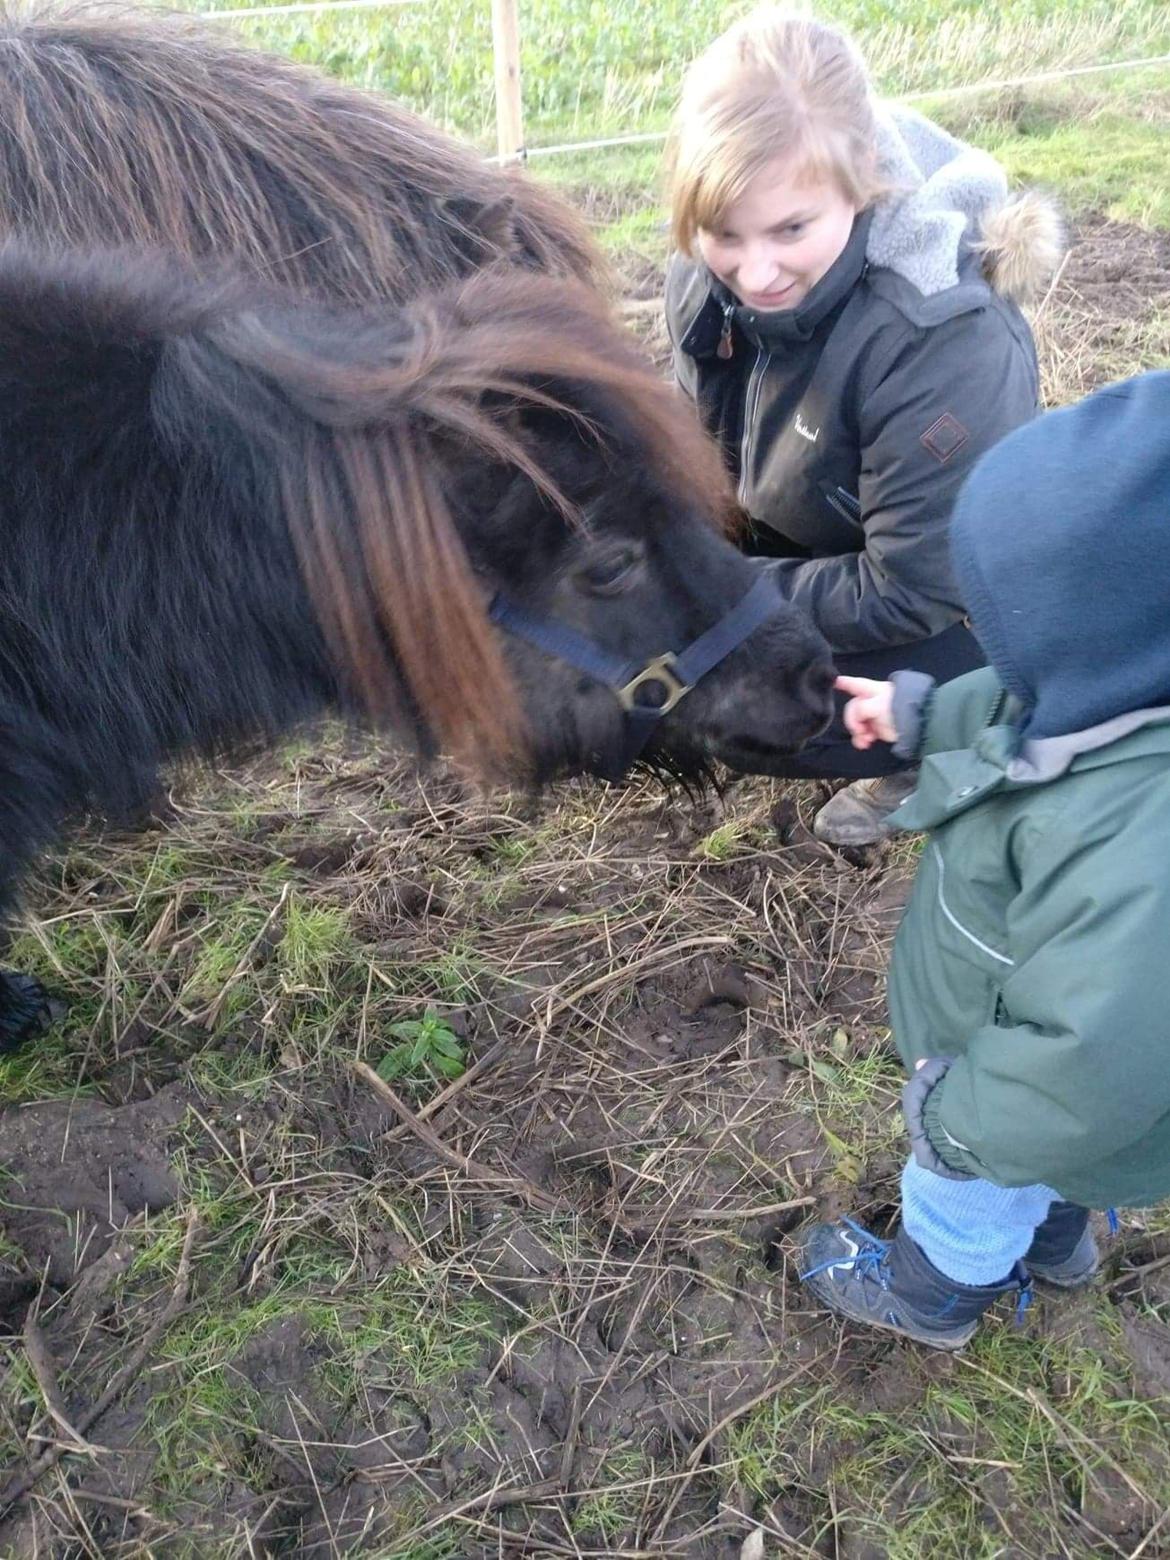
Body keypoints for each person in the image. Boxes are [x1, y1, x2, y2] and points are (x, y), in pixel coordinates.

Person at [797, 371, 1170, 1349]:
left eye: (1007, 635)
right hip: (1052, 1099)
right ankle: (1060, 1244)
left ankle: (932, 1299)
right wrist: (923, 715)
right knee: (1054, 1168)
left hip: (1006, 1085)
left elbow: (1088, 1062)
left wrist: (960, 1126)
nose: (999, 664)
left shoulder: (1148, 842)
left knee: (971, 1187)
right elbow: (1026, 714)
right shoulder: (1119, 700)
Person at [664, 8, 1062, 844]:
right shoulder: (704, 275)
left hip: (938, 608)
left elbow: (912, 588)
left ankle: (938, 740)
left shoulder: (940, 340)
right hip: (806, 532)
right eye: (724, 233)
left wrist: (706, 596)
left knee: (727, 710)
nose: (755, 271)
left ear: (861, 183)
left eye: (791, 230)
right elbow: (691, 447)